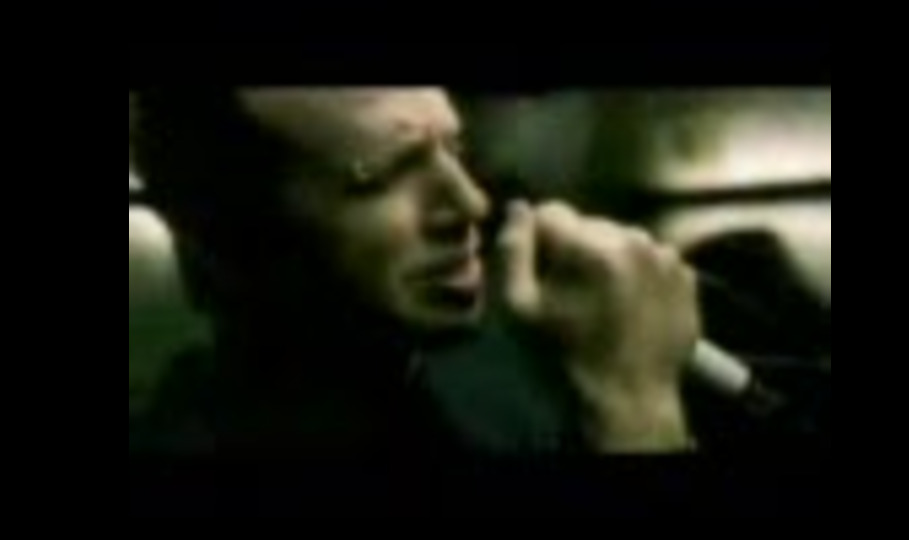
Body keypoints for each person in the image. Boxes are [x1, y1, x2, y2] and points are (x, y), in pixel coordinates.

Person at [129, 87, 785, 456]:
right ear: (237, 232)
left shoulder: (508, 372)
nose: (471, 202)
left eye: (455, 149)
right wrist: (636, 405)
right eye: (384, 174)